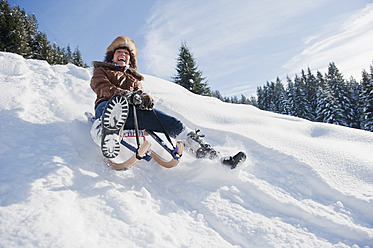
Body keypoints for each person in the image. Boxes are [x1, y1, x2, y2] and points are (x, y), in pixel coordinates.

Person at [90, 36, 245, 169]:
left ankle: (216, 159)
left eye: (126, 53)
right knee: (110, 110)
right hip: (109, 107)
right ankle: (106, 136)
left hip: (134, 116)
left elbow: (141, 94)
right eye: (119, 52)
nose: (122, 54)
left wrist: (146, 100)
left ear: (130, 59)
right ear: (112, 56)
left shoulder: (134, 78)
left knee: (173, 124)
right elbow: (100, 86)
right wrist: (125, 95)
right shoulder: (102, 69)